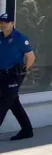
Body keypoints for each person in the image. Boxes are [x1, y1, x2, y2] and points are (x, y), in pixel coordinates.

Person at [0, 12, 35, 140]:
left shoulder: (20, 38)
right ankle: (27, 130)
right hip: (2, 74)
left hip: (13, 75)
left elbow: (30, 56)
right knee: (14, 103)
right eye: (1, 22)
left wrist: (24, 70)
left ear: (12, 23)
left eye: (6, 22)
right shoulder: (0, 37)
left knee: (3, 102)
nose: (3, 25)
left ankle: (27, 130)